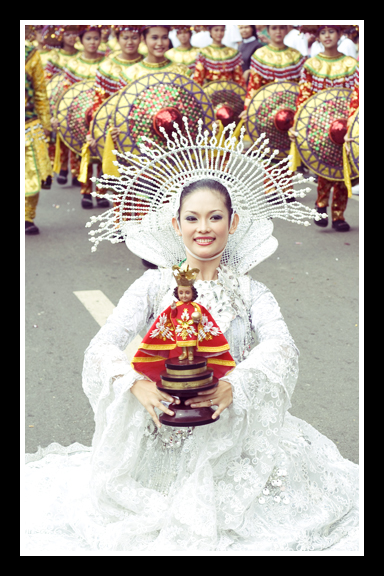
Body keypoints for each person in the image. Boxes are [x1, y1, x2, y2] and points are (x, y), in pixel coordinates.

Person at [24, 119, 359, 551]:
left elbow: (281, 344)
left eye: (215, 217)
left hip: (229, 428)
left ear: (233, 222)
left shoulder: (253, 291)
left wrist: (233, 387)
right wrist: (137, 384)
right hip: (157, 430)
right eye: (193, 217)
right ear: (175, 223)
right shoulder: (151, 286)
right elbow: (103, 345)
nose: (204, 227)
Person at [289, 25, 359, 232]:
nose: (327, 36)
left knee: (342, 168)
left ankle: (339, 215)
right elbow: (303, 97)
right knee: (323, 167)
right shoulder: (311, 64)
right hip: (317, 125)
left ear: (340, 35)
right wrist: (297, 125)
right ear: (317, 36)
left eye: (331, 31)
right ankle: (321, 205)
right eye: (323, 32)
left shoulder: (352, 64)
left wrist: (352, 124)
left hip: (346, 124)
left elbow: (357, 95)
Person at [55, 25, 107, 209]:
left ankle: (100, 193)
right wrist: (58, 115)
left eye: (96, 38)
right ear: (81, 40)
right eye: (89, 39)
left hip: (101, 115)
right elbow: (65, 94)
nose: (92, 42)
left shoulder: (107, 63)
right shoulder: (73, 64)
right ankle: (85, 192)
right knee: (82, 153)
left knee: (101, 154)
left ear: (101, 39)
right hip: (78, 117)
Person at [43, 25, 81, 186]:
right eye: (68, 34)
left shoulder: (81, 56)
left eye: (74, 34)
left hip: (77, 101)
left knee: (76, 135)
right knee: (62, 135)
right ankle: (64, 167)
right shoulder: (54, 57)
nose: (72, 38)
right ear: (61, 37)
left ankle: (76, 172)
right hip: (58, 100)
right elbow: (47, 81)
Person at [241, 25, 306, 111]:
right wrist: (248, 109)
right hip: (266, 107)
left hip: (291, 107)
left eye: (281, 28)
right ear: (268, 31)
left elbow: (302, 87)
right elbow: (254, 86)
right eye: (274, 28)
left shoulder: (296, 55)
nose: (278, 32)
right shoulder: (260, 55)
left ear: (286, 30)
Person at [25, 40, 52, 235]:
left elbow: (40, 92)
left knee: (32, 174)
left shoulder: (30, 54)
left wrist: (45, 124)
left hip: (28, 123)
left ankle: (27, 216)